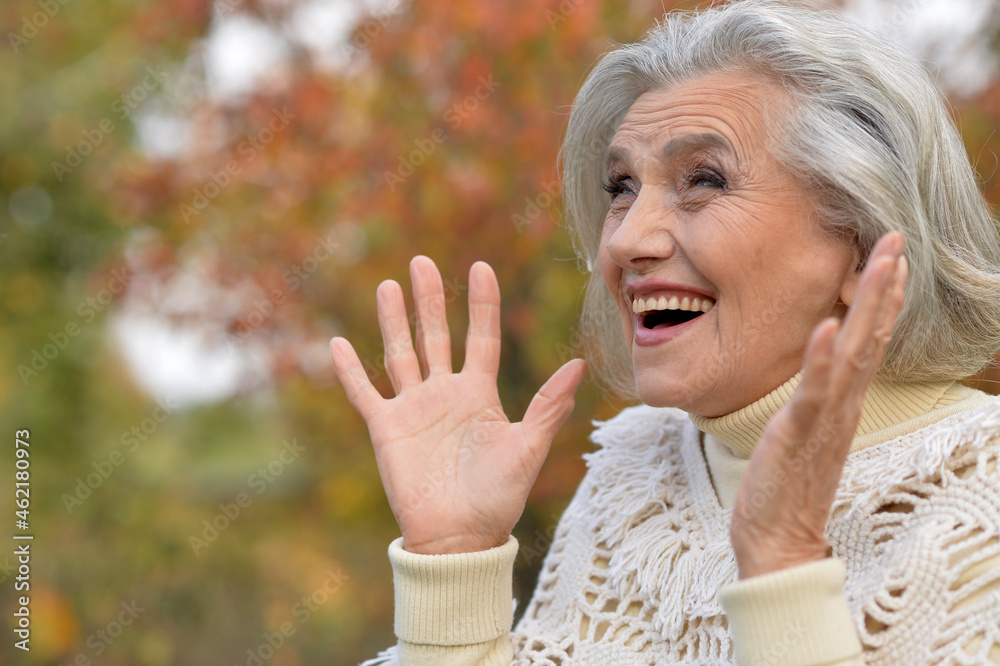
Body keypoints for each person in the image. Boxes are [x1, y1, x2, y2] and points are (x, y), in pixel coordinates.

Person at [329, 0, 1000, 663]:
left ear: (861, 243)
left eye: (704, 179)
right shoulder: (636, 475)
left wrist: (785, 567)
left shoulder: (982, 490)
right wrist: (454, 563)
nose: (626, 241)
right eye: (621, 186)